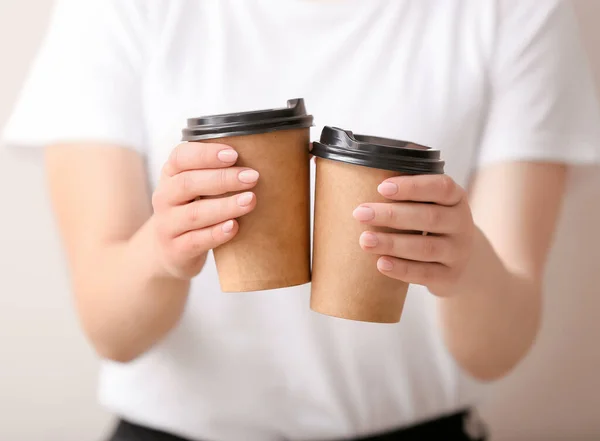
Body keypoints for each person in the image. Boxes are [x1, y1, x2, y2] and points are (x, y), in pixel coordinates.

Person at [4, 0, 600, 440]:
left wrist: (466, 267)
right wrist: (163, 248)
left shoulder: (519, 11)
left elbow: (496, 350)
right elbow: (112, 332)